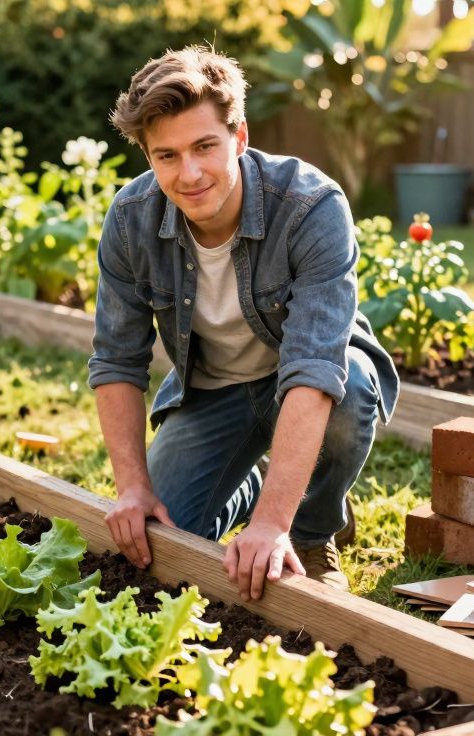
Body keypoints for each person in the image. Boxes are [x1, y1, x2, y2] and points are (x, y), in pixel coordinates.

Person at [88, 46, 399, 601]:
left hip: (307, 383)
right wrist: (132, 488)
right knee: (160, 540)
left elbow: (313, 368)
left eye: (205, 146)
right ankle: (253, 481)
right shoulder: (130, 220)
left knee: (349, 387)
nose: (189, 174)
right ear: (148, 157)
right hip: (211, 393)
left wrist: (274, 524)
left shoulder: (311, 206)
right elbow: (117, 359)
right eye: (166, 156)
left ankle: (312, 526)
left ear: (240, 137)